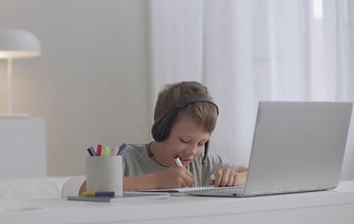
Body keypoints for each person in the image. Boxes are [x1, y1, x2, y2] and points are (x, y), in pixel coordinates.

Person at [78, 81, 247, 194]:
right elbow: (87, 188)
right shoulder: (128, 158)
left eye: (202, 143)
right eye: (185, 141)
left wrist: (236, 178)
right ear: (161, 130)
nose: (193, 151)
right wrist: (158, 180)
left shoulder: (204, 162)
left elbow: (255, 175)